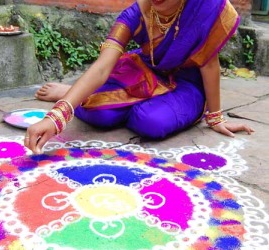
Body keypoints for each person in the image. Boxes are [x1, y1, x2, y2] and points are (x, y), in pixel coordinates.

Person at [24, 0, 254, 154]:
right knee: (100, 115)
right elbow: (103, 67)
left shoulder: (205, 6)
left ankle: (103, 97)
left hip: (186, 82)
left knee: (151, 122)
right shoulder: (134, 14)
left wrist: (215, 117)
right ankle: (75, 94)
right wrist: (56, 117)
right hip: (146, 69)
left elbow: (209, 65)